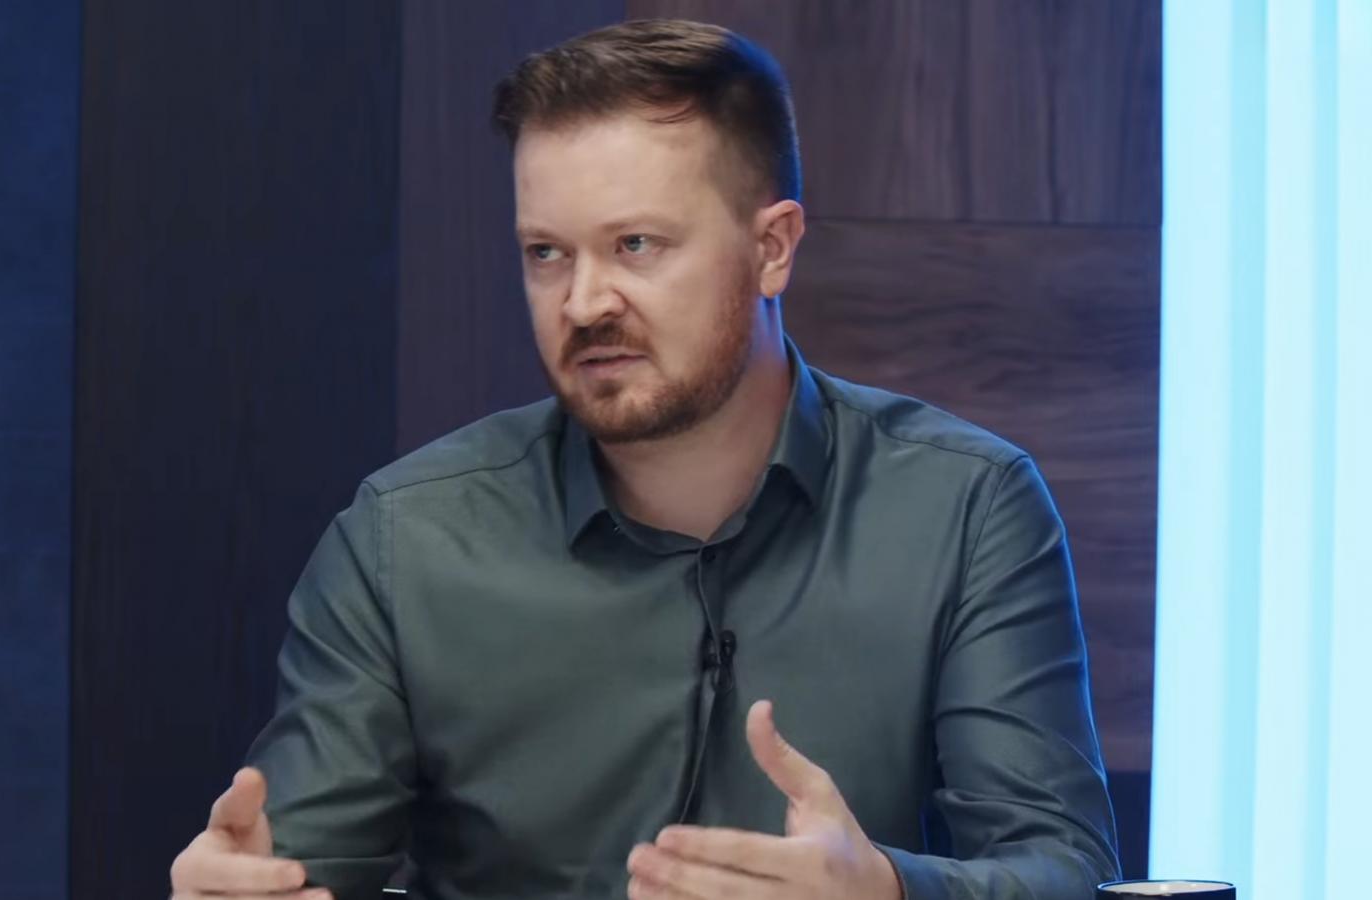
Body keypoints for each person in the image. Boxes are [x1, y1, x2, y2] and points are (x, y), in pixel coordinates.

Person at [169, 18, 1119, 900]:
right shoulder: (407, 540)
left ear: (773, 247)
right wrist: (235, 889)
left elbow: (1063, 867)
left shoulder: (965, 508)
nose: (585, 303)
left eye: (635, 245)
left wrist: (890, 891)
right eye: (547, 254)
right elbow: (290, 869)